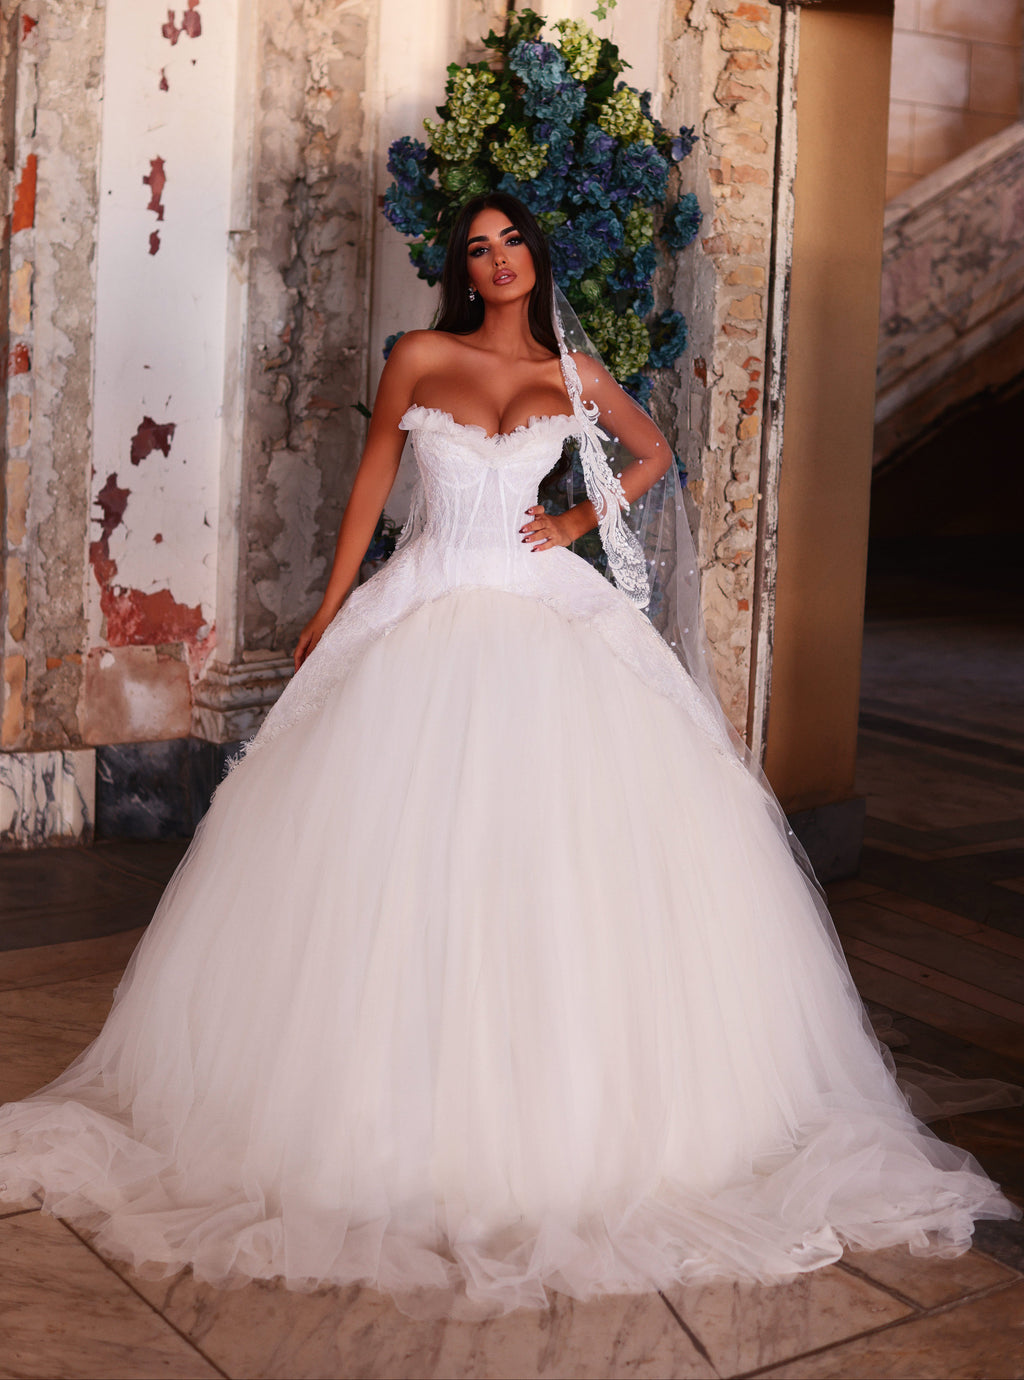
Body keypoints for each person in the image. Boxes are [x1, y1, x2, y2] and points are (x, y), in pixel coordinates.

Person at [0, 194, 1016, 1320]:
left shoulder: (571, 374)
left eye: (512, 242)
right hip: (423, 600)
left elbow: (653, 454)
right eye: (476, 249)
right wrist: (332, 606)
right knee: (387, 857)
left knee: (560, 853)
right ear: (461, 268)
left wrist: (576, 526)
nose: (495, 261)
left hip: (541, 609)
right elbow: (374, 482)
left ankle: (579, 1119)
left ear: (537, 256)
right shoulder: (421, 356)